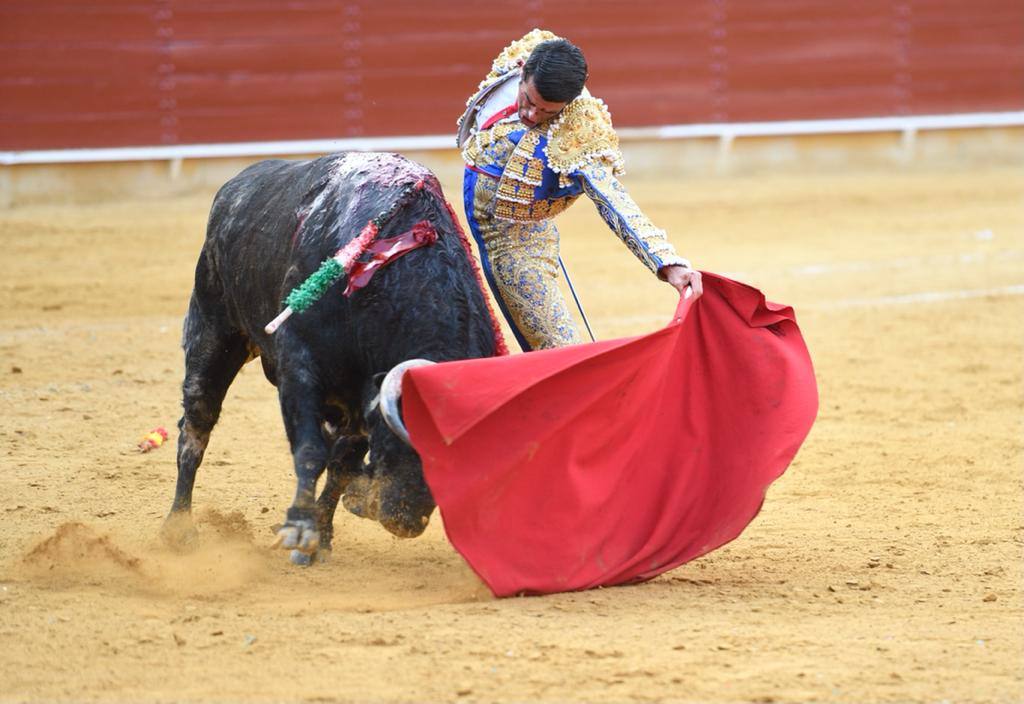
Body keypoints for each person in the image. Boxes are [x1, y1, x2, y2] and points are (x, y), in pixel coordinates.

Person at [457, 29, 703, 351]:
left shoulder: (578, 131)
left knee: (557, 350)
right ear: (523, 72)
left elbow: (612, 198)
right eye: (529, 101)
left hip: (517, 242)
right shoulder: (530, 53)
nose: (532, 116)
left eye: (547, 112)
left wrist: (667, 263)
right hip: (461, 223)